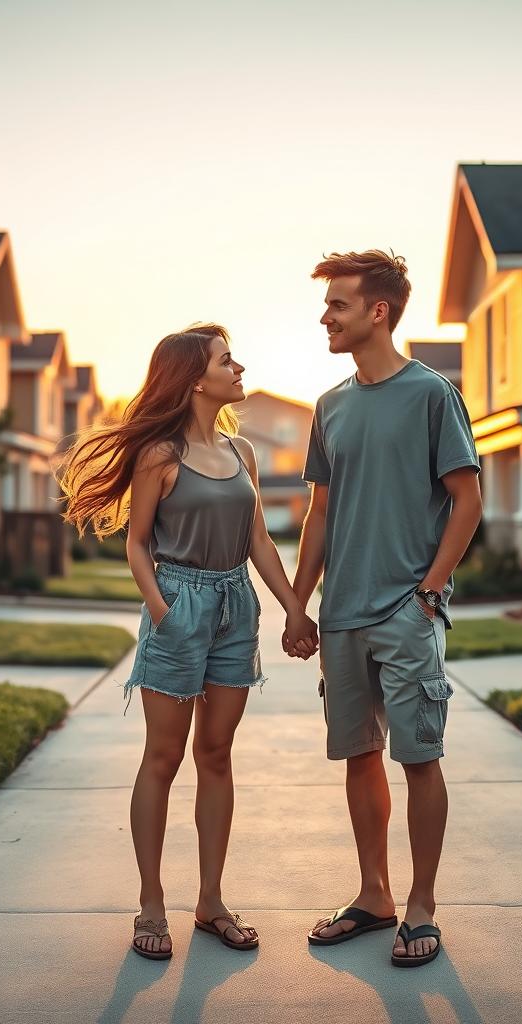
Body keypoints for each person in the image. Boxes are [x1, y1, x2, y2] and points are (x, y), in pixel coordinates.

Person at [58, 323, 318, 961]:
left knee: (218, 755)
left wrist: (294, 610)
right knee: (162, 758)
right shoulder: (160, 455)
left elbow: (258, 540)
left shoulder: (242, 454)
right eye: (227, 360)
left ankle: (210, 901)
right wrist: (162, 610)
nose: (239, 368)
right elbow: (137, 543)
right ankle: (151, 901)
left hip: (235, 608)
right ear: (196, 378)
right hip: (179, 604)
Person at [285, 251, 482, 967]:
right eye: (326, 303)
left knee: (419, 756)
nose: (325, 316)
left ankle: (423, 905)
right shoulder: (330, 406)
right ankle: (375, 896)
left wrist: (430, 592)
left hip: (405, 609)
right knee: (357, 755)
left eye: (337, 304)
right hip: (341, 616)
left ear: (377, 311)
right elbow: (320, 514)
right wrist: (299, 606)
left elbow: (467, 500)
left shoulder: (432, 393)